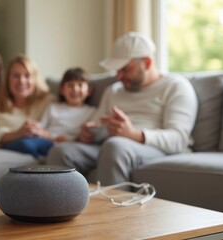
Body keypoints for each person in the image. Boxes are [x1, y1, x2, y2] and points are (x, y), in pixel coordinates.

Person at [45, 32, 198, 186]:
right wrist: (88, 134)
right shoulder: (113, 90)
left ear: (147, 62)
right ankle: (59, 208)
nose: (119, 76)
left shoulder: (176, 87)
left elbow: (180, 139)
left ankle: (113, 210)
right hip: (109, 145)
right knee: (61, 152)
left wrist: (134, 134)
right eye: (117, 70)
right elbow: (96, 125)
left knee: (115, 146)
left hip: (150, 148)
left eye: (125, 69)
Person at [0, 54, 55, 158]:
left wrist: (44, 134)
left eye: (27, 75)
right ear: (8, 79)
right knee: (25, 144)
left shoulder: (48, 101)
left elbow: (63, 130)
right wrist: (17, 134)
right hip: (13, 146)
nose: (21, 81)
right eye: (16, 76)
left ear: (35, 79)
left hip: (41, 145)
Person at [39, 67, 96, 143]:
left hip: (70, 144)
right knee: (26, 143)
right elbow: (40, 128)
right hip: (47, 141)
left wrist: (71, 139)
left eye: (80, 85)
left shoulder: (92, 112)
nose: (75, 89)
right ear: (62, 90)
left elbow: (90, 134)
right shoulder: (53, 108)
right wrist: (51, 138)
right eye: (70, 85)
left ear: (89, 90)